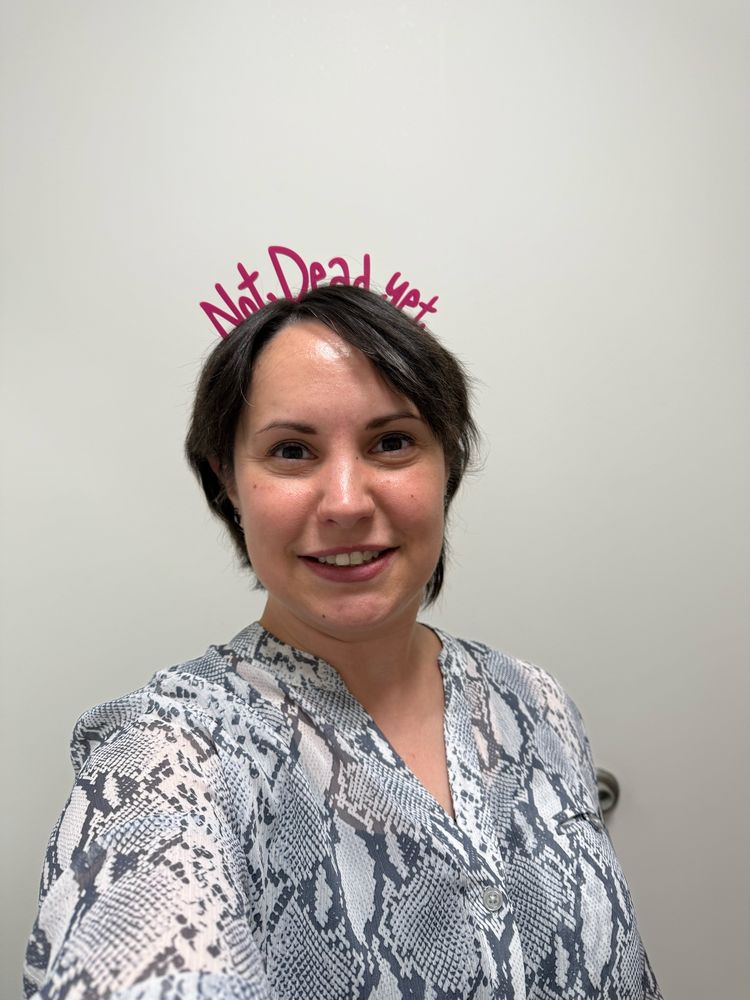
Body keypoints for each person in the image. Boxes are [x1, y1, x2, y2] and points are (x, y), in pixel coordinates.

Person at [24, 284, 662, 999]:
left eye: (392, 443)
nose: (348, 503)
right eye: (292, 451)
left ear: (446, 463)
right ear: (227, 482)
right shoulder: (171, 749)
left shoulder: (536, 702)